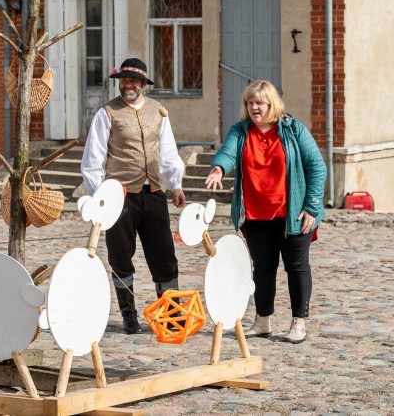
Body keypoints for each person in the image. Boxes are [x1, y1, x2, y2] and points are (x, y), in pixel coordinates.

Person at [205, 80, 326, 343]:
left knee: (296, 267)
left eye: (259, 102)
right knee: (262, 268)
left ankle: (299, 323)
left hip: (293, 214)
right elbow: (228, 154)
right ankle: (263, 321)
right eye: (250, 103)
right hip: (256, 216)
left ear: (271, 104)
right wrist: (219, 168)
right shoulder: (241, 131)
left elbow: (317, 166)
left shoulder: (293, 129)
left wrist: (312, 208)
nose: (254, 107)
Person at [81, 57, 187, 334]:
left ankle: (171, 317)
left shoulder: (158, 112)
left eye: (133, 80)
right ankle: (129, 316)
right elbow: (93, 160)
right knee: (121, 256)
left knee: (164, 255)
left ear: (142, 83)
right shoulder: (107, 113)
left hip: (153, 194)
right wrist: (100, 199)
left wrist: (175, 184)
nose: (127, 85)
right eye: (123, 80)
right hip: (120, 197)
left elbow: (168, 152)